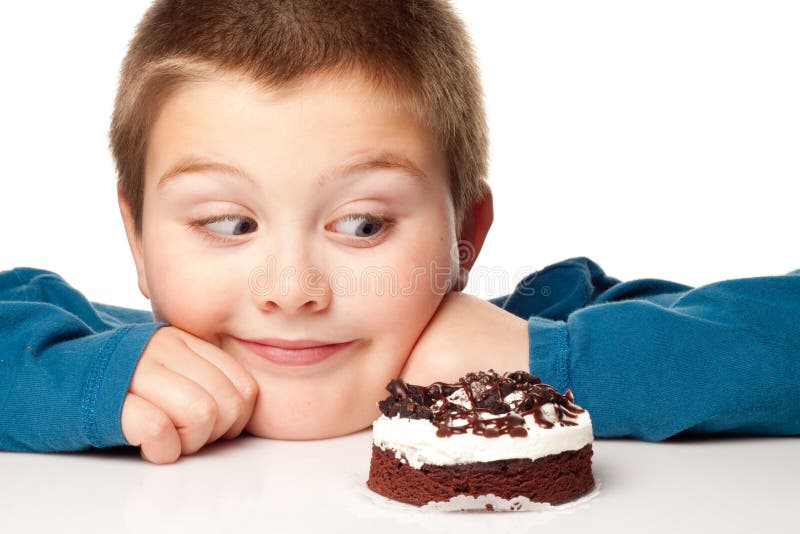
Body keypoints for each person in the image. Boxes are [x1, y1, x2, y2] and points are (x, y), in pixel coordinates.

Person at [1, 0, 798, 464]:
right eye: (228, 224)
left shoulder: (544, 324)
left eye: (362, 224)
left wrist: (539, 366)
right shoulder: (108, 362)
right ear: (137, 239)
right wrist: (88, 385)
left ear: (465, 238)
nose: (290, 292)